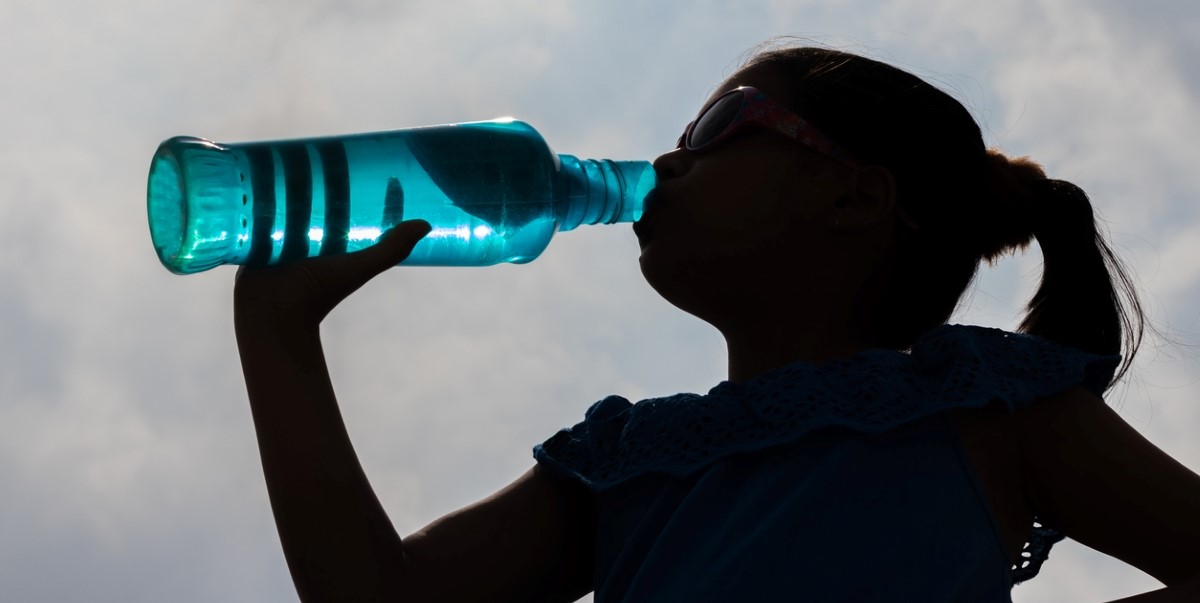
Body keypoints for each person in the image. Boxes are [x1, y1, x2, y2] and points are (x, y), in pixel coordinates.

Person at [233, 45, 1200, 602]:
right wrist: (278, 338)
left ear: (855, 197)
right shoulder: (625, 460)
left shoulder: (982, 402)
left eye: (714, 130)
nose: (668, 160)